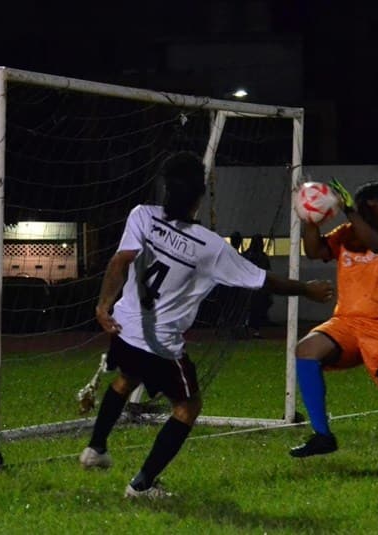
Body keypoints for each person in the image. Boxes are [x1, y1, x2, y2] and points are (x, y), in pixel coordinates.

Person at [79, 151, 335, 498]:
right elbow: (263, 280)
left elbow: (119, 261)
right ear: (199, 199)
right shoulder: (209, 247)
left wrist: (103, 304)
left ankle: (95, 449)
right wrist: (307, 289)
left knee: (127, 378)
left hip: (122, 328)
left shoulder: (142, 216)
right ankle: (142, 485)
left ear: (165, 191)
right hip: (160, 346)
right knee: (187, 407)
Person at [289, 178, 378, 466]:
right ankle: (322, 435)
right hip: (347, 322)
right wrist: (310, 219)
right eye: (363, 209)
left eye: (372, 209)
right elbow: (314, 251)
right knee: (305, 349)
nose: (367, 214)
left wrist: (351, 212)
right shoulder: (347, 233)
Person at [242, 234, 272, 338]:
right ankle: (248, 328)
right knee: (249, 310)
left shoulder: (257, 256)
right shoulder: (252, 256)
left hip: (255, 289)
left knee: (254, 310)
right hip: (251, 288)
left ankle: (251, 329)